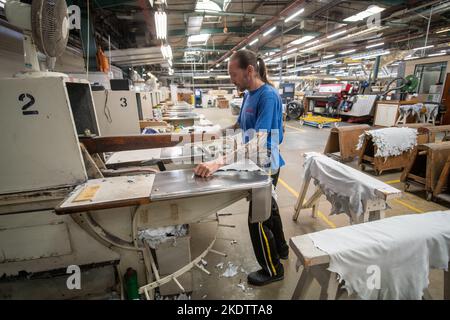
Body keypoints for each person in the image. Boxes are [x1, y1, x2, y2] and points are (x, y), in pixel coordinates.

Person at [194, 49, 288, 286]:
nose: (231, 80)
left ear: (249, 71)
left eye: (233, 74)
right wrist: (217, 134)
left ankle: (273, 269)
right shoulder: (248, 94)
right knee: (271, 208)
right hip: (252, 161)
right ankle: (282, 248)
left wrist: (218, 162)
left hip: (266, 163)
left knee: (257, 219)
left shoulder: (268, 96)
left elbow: (258, 140)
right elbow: (241, 124)